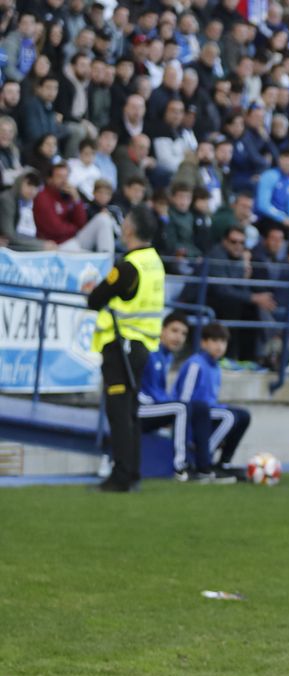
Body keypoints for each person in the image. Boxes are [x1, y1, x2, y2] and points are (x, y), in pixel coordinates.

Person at [85, 206, 166, 492]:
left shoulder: (129, 265)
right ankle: (131, 472)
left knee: (119, 411)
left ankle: (121, 475)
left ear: (129, 230)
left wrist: (91, 289)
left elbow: (95, 299)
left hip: (122, 345)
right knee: (130, 410)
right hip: (142, 345)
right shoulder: (154, 261)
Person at [175, 322, 252, 482]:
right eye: (215, 341)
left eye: (223, 342)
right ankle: (202, 457)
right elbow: (184, 399)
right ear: (204, 343)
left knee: (244, 415)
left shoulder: (216, 367)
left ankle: (224, 462)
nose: (220, 346)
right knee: (229, 417)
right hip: (196, 411)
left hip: (210, 409)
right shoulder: (195, 364)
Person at [136, 314, 202, 480]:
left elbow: (159, 392)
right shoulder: (150, 352)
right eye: (174, 331)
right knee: (181, 407)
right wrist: (165, 410)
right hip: (138, 410)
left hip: (152, 408)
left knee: (196, 407)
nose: (178, 337)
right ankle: (181, 467)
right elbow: (149, 393)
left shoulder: (167, 356)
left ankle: (203, 463)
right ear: (162, 330)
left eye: (183, 334)